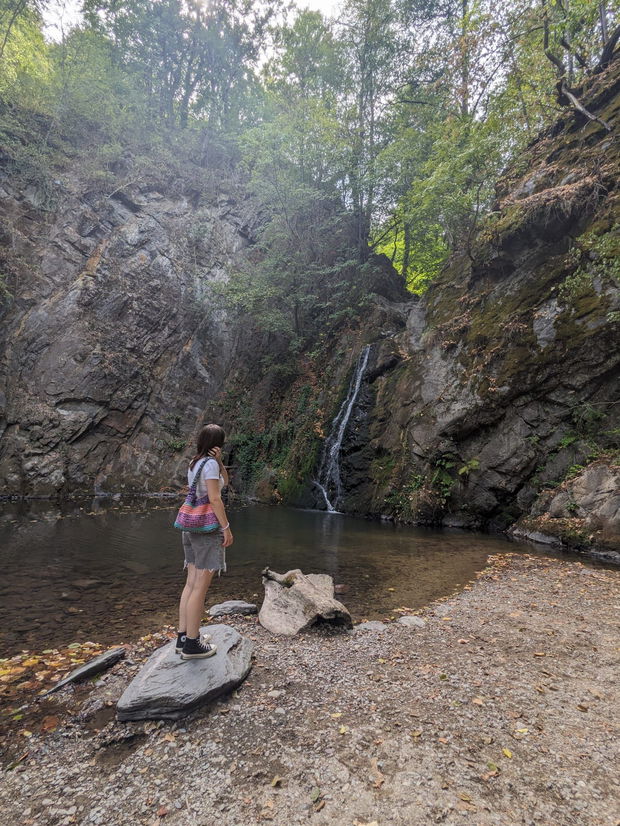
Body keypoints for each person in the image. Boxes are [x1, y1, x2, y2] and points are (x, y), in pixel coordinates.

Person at [176, 423, 234, 659]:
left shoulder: (196, 463)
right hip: (207, 530)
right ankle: (192, 644)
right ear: (217, 444)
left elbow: (225, 482)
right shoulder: (208, 465)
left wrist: (220, 462)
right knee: (200, 586)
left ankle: (183, 637)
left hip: (189, 527)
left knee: (191, 583)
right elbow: (216, 498)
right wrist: (226, 528)